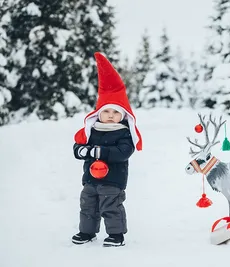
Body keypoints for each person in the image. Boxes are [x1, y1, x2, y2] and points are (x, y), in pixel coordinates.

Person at [71, 52, 143, 247]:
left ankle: (116, 235)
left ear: (123, 115)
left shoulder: (124, 133)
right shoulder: (91, 131)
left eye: (115, 112)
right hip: (90, 179)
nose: (110, 116)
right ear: (99, 113)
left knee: (111, 207)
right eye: (106, 111)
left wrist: (98, 152)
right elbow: (78, 146)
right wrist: (82, 151)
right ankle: (87, 232)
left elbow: (123, 152)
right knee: (88, 206)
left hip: (113, 180)